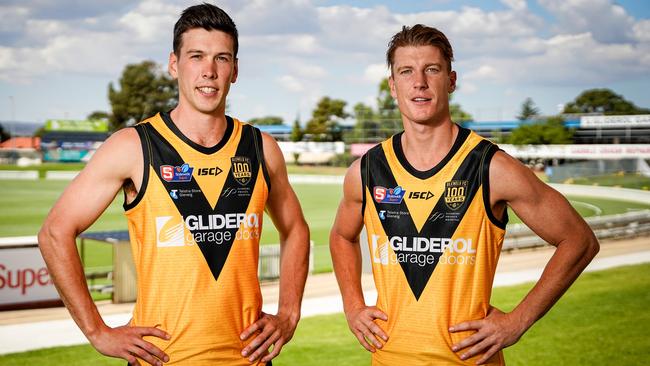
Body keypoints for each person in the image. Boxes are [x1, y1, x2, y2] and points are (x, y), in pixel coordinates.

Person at [38, 4, 309, 365]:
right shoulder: (134, 146)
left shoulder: (261, 148)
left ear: (235, 70)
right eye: (196, 56)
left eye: (222, 58)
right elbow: (55, 232)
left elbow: (296, 230)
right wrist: (97, 331)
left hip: (250, 359)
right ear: (174, 64)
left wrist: (288, 314)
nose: (209, 72)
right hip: (165, 358)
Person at [329, 24, 599, 365]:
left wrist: (517, 321)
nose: (420, 82)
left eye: (432, 69)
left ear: (451, 80)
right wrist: (353, 306)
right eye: (406, 71)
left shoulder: (491, 168)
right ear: (392, 86)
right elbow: (341, 236)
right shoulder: (366, 170)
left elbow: (579, 240)